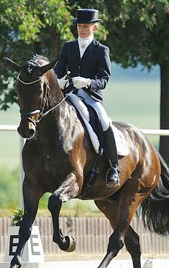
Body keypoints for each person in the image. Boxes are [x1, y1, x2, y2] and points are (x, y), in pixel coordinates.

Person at [54, 8, 120, 187]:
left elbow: (104, 79)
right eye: (79, 26)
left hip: (91, 96)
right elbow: (59, 69)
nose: (82, 29)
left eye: (86, 26)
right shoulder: (68, 47)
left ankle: (113, 168)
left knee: (105, 123)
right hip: (69, 94)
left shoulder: (101, 50)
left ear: (95, 28)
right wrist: (58, 80)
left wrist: (88, 82)